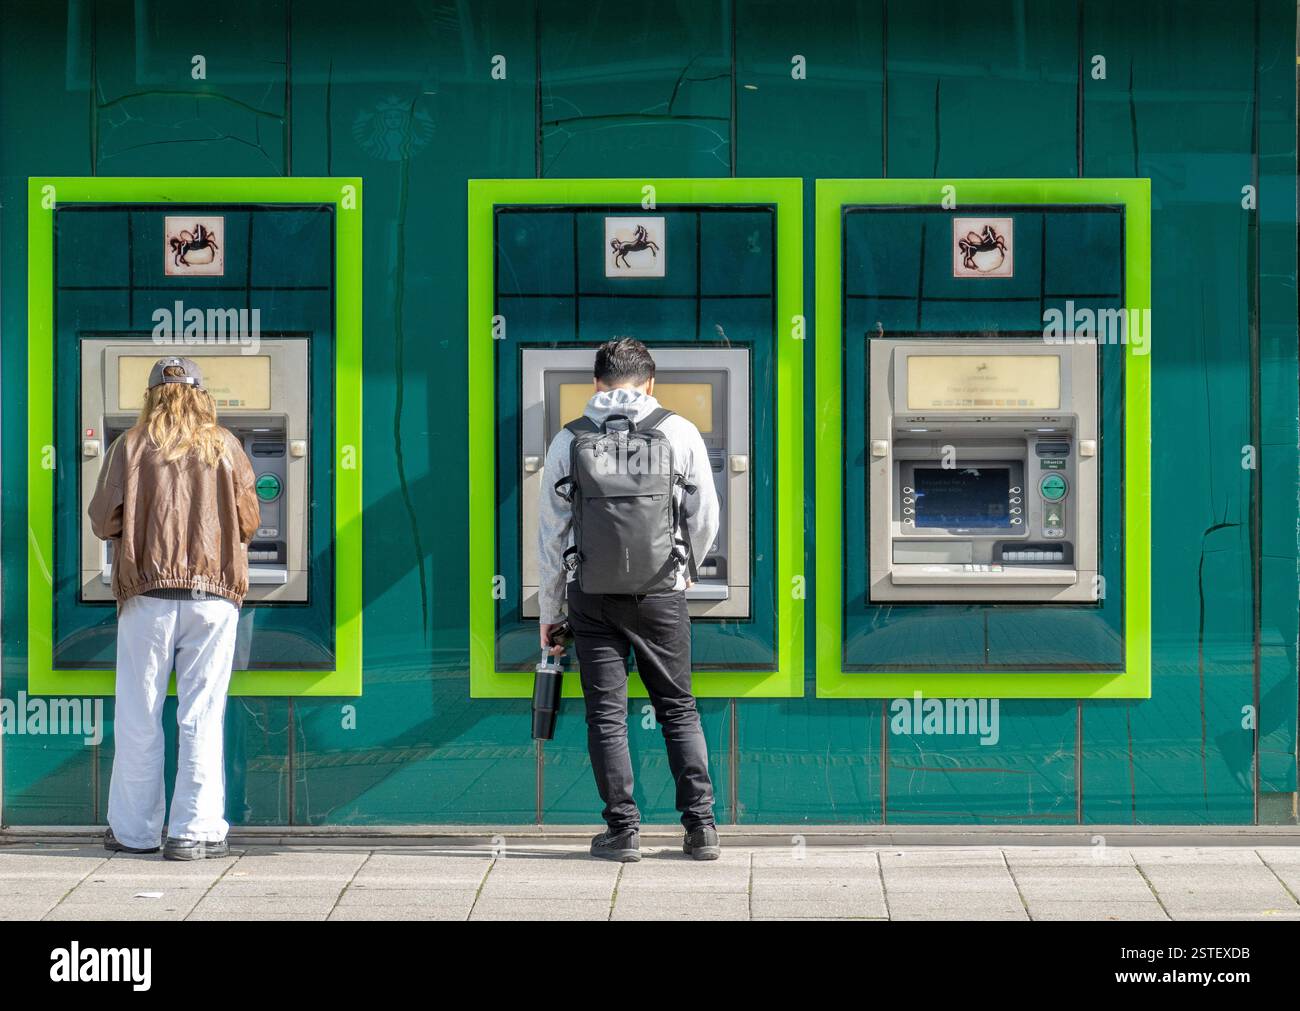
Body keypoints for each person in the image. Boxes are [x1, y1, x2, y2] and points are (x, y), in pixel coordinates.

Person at [537, 337, 721, 862]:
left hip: (591, 598)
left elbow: (551, 534)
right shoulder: (678, 430)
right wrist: (684, 571)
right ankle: (701, 828)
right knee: (679, 710)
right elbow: (705, 514)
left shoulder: (568, 439)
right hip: (661, 592)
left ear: (597, 383)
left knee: (607, 716)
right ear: (650, 382)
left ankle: (623, 831)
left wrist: (552, 612)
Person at [89, 356, 260, 861]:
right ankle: (194, 833)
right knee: (201, 716)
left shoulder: (130, 446)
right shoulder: (225, 447)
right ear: (202, 395)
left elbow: (102, 520)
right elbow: (249, 520)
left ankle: (135, 833)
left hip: (148, 596)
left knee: (140, 716)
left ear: (151, 397)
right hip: (213, 599)